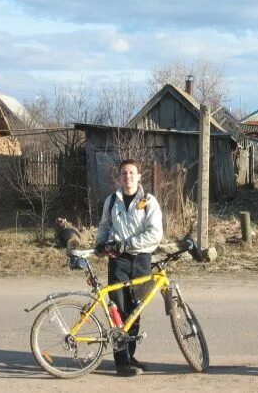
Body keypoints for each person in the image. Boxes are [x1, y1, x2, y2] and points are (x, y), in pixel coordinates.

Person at [95, 159, 163, 377]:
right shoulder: (112, 201)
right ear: (120, 177)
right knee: (118, 310)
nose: (128, 177)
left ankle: (130, 355)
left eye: (132, 173)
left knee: (135, 311)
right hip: (118, 261)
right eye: (124, 173)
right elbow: (105, 226)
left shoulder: (148, 201)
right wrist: (100, 243)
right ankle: (121, 363)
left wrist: (129, 244)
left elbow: (155, 232)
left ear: (139, 176)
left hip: (141, 260)